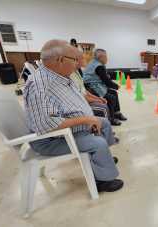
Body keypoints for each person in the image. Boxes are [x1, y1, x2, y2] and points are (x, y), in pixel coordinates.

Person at [24, 40, 123, 192]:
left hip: (68, 130)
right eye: (75, 60)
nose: (78, 64)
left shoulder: (59, 76)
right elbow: (50, 125)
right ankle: (103, 181)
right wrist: (87, 119)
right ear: (60, 60)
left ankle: (103, 159)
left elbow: (79, 97)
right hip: (53, 139)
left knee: (105, 123)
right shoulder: (40, 86)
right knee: (98, 143)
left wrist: (90, 115)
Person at [83, 49, 127, 126]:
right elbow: (106, 81)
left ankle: (117, 113)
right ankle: (111, 118)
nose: (107, 58)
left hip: (94, 85)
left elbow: (104, 78)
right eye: (106, 56)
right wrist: (116, 86)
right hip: (92, 88)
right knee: (111, 98)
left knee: (114, 93)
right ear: (100, 57)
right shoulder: (99, 66)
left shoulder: (94, 62)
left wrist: (113, 86)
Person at [70, 50, 112, 123]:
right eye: (83, 58)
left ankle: (111, 120)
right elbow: (81, 95)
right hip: (81, 101)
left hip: (90, 90)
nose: (86, 60)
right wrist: (97, 99)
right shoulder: (71, 74)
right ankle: (106, 126)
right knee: (104, 106)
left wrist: (98, 98)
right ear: (76, 60)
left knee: (107, 99)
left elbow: (84, 91)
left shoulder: (77, 72)